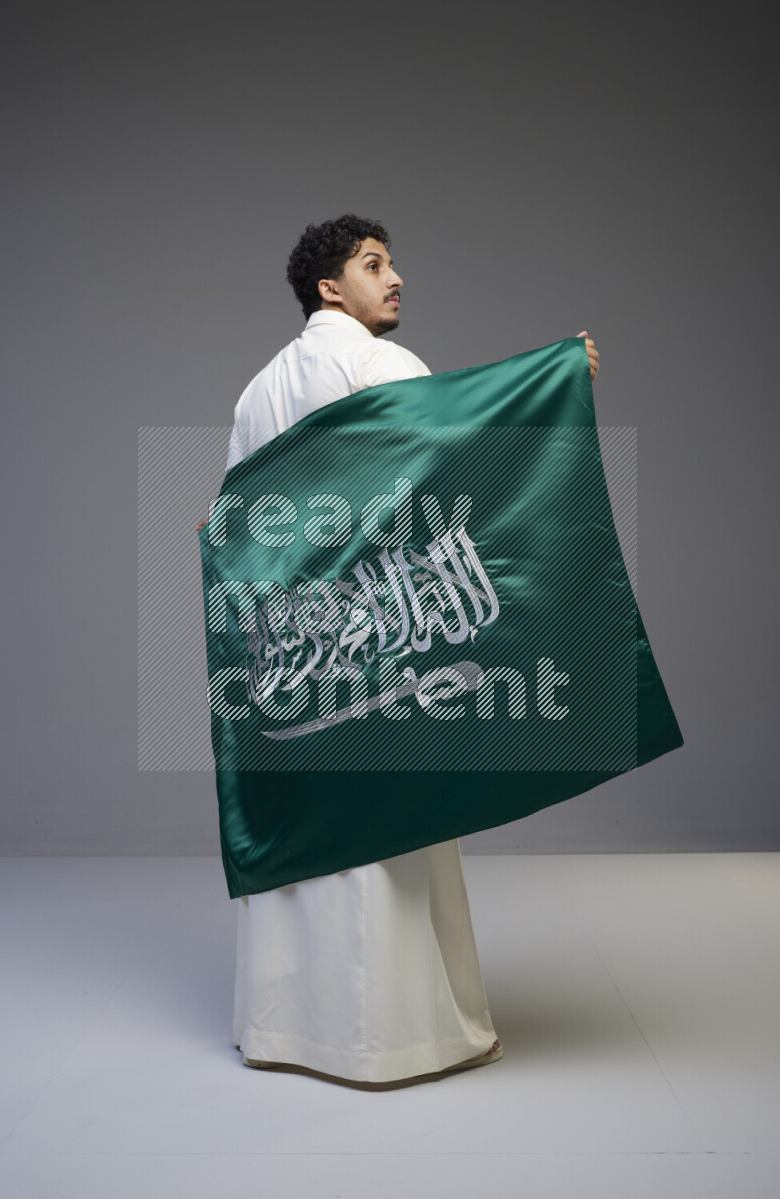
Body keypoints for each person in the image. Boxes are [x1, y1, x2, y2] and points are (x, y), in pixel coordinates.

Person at [197, 214, 599, 1084]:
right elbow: (450, 439)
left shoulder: (258, 389)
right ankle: (401, 1038)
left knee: (302, 826)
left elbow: (230, 520)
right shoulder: (374, 361)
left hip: (293, 648)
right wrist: (553, 376)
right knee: (391, 822)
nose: (398, 277)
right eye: (375, 264)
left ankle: (283, 1032)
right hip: (375, 632)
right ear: (329, 289)